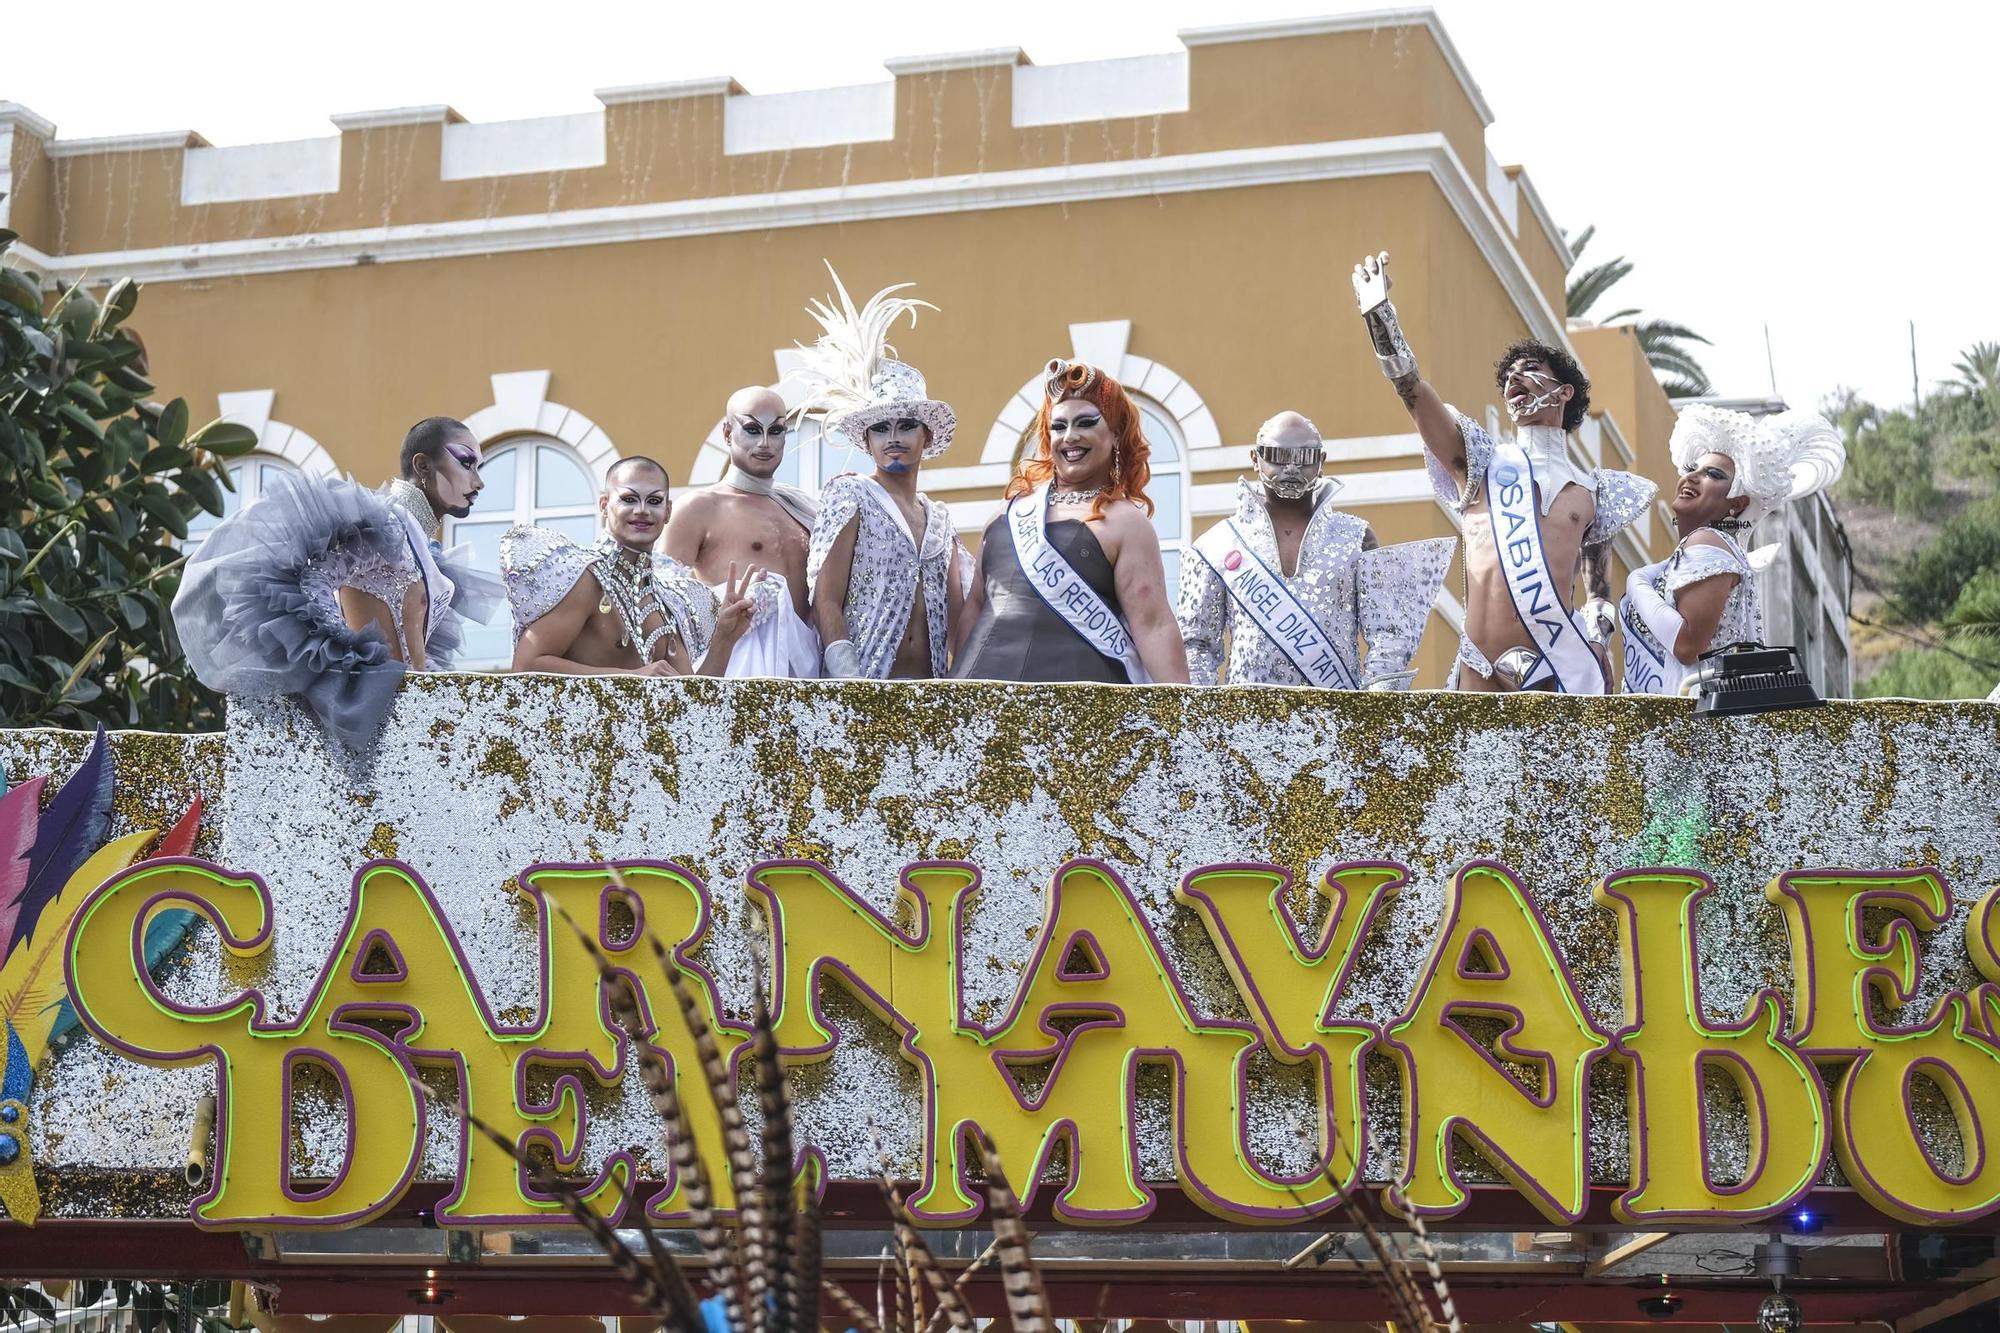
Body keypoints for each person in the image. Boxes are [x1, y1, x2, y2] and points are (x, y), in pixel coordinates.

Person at [1351, 251, 1655, 693]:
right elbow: (1412, 392)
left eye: (1530, 370)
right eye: (1509, 375)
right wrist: (1381, 322)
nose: (1515, 379)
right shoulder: (1480, 462)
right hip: (1482, 669)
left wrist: (1597, 640)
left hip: (1560, 670)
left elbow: (1599, 593)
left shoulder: (1596, 492)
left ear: (1564, 391)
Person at [171, 416, 503, 748]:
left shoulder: (422, 549)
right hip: (375, 723)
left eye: (480, 468)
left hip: (403, 723)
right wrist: (348, 662)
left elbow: (414, 645)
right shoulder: (388, 527)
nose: (478, 482)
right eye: (466, 463)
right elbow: (312, 577)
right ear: (423, 466)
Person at [952, 358, 1191, 684]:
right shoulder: (1006, 513)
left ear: (1116, 434)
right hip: (982, 699)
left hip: (1078, 711)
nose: (1070, 437)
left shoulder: (1125, 523)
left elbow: (1154, 625)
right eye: (1059, 426)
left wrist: (1180, 718)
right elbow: (975, 608)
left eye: (1086, 423)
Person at [1177, 411, 1454, 688]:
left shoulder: (1357, 537)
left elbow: (1388, 634)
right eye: (1278, 455)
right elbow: (1196, 645)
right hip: (1244, 720)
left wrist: (1372, 710)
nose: (1292, 468)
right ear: (1255, 458)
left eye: (1305, 457)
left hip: (1336, 718)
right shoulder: (1216, 545)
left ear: (1321, 462)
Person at [797, 268, 969, 679]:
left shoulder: (940, 520)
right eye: (880, 427)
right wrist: (849, 682)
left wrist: (965, 686)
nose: (893, 437)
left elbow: (960, 614)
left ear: (926, 436)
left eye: (906, 425)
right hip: (863, 689)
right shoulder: (851, 495)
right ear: (867, 441)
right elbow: (826, 597)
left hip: (932, 694)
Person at [1621, 404, 1844, 695]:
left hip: (1696, 719)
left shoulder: (1707, 542)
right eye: (1692, 469)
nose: (1692, 477)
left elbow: (1687, 645)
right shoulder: (1718, 547)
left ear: (1736, 504)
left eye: (1712, 474)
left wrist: (1636, 582)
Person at [502, 456, 760, 676]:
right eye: (628, 499)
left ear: (668, 511)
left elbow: (691, 702)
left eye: (655, 501)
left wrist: (725, 639)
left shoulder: (669, 603)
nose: (642, 510)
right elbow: (526, 666)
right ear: (605, 505)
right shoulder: (585, 578)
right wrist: (630, 678)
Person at [663, 386, 821, 678]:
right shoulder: (698, 508)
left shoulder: (804, 511)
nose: (765, 443)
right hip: (736, 675)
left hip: (809, 676)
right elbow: (662, 607)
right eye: (751, 429)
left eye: (776, 431)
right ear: (727, 434)